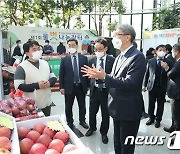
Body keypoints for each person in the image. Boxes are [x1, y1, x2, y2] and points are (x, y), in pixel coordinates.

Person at [82, 24, 146, 154]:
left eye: (117, 34)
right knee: (117, 144)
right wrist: (100, 76)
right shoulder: (120, 56)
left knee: (126, 147)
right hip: (117, 108)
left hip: (129, 110)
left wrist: (105, 77)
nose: (114, 38)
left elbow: (130, 83)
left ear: (127, 37)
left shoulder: (137, 56)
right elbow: (114, 78)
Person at [14, 40, 57, 116]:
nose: (37, 51)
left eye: (38, 49)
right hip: (31, 106)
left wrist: (49, 82)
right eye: (34, 50)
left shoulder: (45, 63)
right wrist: (37, 85)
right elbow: (18, 86)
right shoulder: (21, 67)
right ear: (27, 53)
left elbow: (53, 77)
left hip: (47, 102)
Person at [85, 38, 115, 144]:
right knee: (92, 111)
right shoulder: (92, 60)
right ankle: (92, 127)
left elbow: (114, 77)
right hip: (95, 90)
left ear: (106, 48)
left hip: (106, 92)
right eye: (95, 49)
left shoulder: (112, 60)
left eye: (100, 49)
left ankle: (104, 133)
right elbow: (88, 75)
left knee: (105, 113)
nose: (97, 52)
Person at [59, 38, 89, 129]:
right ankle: (70, 122)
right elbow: (61, 74)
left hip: (81, 86)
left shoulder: (84, 58)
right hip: (69, 86)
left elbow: (87, 72)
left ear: (77, 46)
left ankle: (82, 120)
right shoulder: (64, 59)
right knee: (68, 106)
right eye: (69, 45)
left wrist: (87, 85)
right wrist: (61, 87)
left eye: (73, 45)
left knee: (82, 105)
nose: (71, 47)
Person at [143, 44, 172, 128]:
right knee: (151, 103)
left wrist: (166, 68)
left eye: (163, 50)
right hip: (151, 86)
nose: (161, 51)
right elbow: (147, 73)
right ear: (156, 51)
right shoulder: (150, 61)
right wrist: (144, 85)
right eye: (160, 50)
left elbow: (171, 74)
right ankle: (151, 118)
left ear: (166, 52)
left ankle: (158, 120)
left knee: (160, 105)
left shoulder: (168, 62)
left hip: (162, 87)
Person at [166, 43, 180, 131]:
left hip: (177, 92)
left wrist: (167, 69)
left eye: (173, 52)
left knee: (176, 114)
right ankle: (173, 127)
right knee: (174, 113)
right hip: (176, 92)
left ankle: (177, 133)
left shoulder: (179, 62)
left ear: (177, 52)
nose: (172, 54)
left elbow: (170, 74)